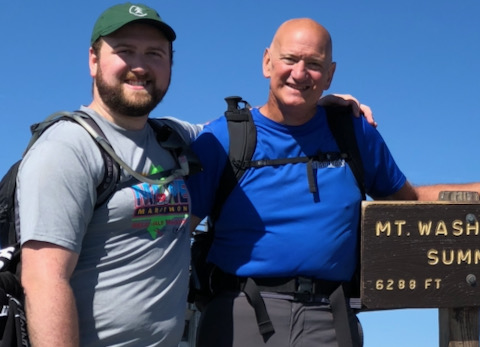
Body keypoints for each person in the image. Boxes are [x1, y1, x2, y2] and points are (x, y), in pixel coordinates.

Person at [186, 18, 480, 347]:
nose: (300, 73)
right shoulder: (223, 138)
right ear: (267, 62)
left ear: (330, 75)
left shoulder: (353, 132)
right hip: (239, 315)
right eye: (290, 60)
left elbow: (407, 201)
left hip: (331, 317)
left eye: (314, 64)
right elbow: (175, 232)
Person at [17, 3, 202, 346]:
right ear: (93, 60)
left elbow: (258, 122)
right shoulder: (67, 148)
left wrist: (327, 104)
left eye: (155, 53)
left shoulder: (173, 137)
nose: (140, 66)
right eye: (125, 51)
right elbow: (44, 280)